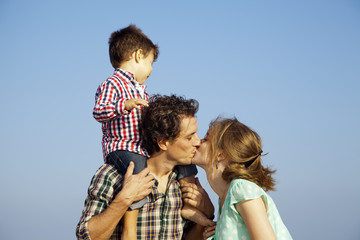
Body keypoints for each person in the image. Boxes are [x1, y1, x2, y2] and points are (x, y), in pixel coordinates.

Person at [92, 25, 200, 239]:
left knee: (185, 161)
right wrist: (124, 105)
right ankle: (129, 228)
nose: (151, 70)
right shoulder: (112, 84)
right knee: (139, 174)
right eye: (151, 63)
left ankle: (192, 204)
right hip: (122, 147)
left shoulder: (140, 88)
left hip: (140, 145)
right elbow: (98, 111)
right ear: (138, 56)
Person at [76, 94, 215, 240]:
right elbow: (86, 236)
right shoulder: (112, 175)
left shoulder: (183, 184)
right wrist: (124, 200)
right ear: (163, 143)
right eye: (189, 137)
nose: (198, 142)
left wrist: (205, 216)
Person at [188, 117, 292, 240]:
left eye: (206, 139)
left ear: (221, 155)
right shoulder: (225, 198)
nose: (198, 142)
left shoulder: (240, 189)